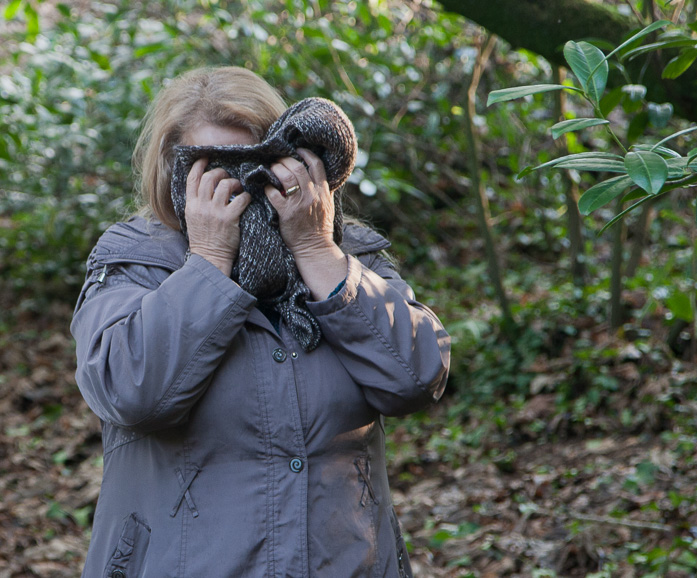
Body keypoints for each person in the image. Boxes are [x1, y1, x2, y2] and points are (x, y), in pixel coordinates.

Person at [70, 66, 450, 577]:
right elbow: (129, 392)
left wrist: (316, 250)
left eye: (257, 163)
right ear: (170, 170)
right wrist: (206, 263)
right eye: (211, 167)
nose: (241, 185)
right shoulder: (134, 261)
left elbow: (417, 378)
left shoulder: (343, 251)